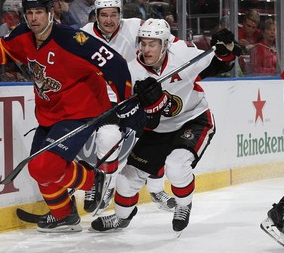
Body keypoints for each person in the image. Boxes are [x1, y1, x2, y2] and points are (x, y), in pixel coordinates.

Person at [0, 0, 135, 233]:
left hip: (81, 111)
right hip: (50, 112)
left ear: (50, 13)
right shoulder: (23, 35)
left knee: (45, 166)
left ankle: (94, 179)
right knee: (40, 170)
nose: (34, 18)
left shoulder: (72, 39)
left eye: (39, 12)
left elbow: (116, 64)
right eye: (29, 12)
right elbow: (4, 49)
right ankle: (64, 216)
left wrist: (125, 102)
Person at [90, 19, 240, 234]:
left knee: (176, 167)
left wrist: (227, 51)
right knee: (126, 179)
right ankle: (122, 217)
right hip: (158, 130)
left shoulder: (183, 52)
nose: (146, 49)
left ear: (165, 44)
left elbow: (218, 65)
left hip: (193, 119)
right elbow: (144, 122)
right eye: (143, 43)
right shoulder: (132, 72)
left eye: (152, 44)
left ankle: (183, 204)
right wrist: (150, 106)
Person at [81, 0, 177, 214]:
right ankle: (100, 187)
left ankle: (155, 189)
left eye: (113, 14)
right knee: (99, 142)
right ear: (96, 15)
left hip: (132, 97)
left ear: (120, 14)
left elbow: (164, 36)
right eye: (104, 15)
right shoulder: (83, 34)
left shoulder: (134, 26)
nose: (109, 20)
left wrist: (180, 49)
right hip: (97, 99)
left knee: (156, 135)